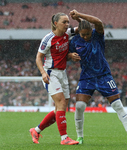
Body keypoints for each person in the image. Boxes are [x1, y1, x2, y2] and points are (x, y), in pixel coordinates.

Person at [69, 10, 127, 145]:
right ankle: (80, 137)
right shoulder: (74, 41)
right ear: (79, 32)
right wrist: (70, 56)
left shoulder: (97, 36)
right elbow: (66, 53)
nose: (85, 37)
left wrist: (79, 15)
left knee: (118, 105)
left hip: (104, 75)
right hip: (87, 77)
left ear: (91, 31)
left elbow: (98, 22)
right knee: (79, 106)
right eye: (83, 35)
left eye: (87, 34)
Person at [29, 12, 81, 145]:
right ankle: (64, 138)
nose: (67, 24)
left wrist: (78, 18)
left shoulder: (67, 34)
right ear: (55, 23)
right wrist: (42, 72)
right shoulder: (48, 39)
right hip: (50, 73)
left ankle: (36, 130)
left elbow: (83, 27)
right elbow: (38, 57)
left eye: (68, 22)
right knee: (61, 103)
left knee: (61, 108)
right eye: (64, 22)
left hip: (62, 73)